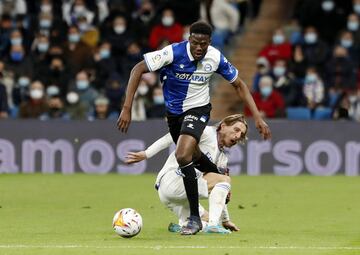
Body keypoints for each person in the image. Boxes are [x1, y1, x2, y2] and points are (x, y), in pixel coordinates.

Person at [117, 21, 271, 235]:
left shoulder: (215, 57)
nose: (199, 48)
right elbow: (138, 69)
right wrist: (127, 108)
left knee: (182, 155)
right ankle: (216, 179)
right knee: (196, 157)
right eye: (195, 42)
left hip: (198, 111)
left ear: (210, 43)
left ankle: (195, 220)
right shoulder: (172, 52)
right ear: (189, 39)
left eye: (204, 44)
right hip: (174, 116)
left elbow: (239, 85)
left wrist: (257, 117)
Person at [126, 114, 247, 233]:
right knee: (224, 180)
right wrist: (147, 153)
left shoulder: (222, 159)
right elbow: (171, 136)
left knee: (206, 217)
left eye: (241, 135)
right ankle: (213, 226)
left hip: (176, 196)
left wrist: (225, 220)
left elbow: (220, 191)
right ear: (223, 126)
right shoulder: (205, 132)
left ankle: (184, 225)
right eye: (236, 130)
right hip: (172, 180)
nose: (237, 136)